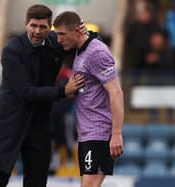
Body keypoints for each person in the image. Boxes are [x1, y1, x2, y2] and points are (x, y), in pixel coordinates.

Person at [0, 4, 84, 187]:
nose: (37, 31)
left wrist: (85, 34)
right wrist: (63, 91)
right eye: (33, 26)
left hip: (40, 124)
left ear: (50, 28)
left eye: (43, 27)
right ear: (25, 25)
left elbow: (85, 44)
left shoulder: (57, 42)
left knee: (37, 183)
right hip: (10, 123)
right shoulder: (12, 51)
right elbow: (26, 92)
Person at [53, 11, 124, 187]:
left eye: (62, 34)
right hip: (86, 131)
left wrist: (116, 134)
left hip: (99, 131)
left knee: (88, 185)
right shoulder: (80, 51)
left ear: (77, 30)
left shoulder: (96, 52)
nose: (59, 40)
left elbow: (116, 92)